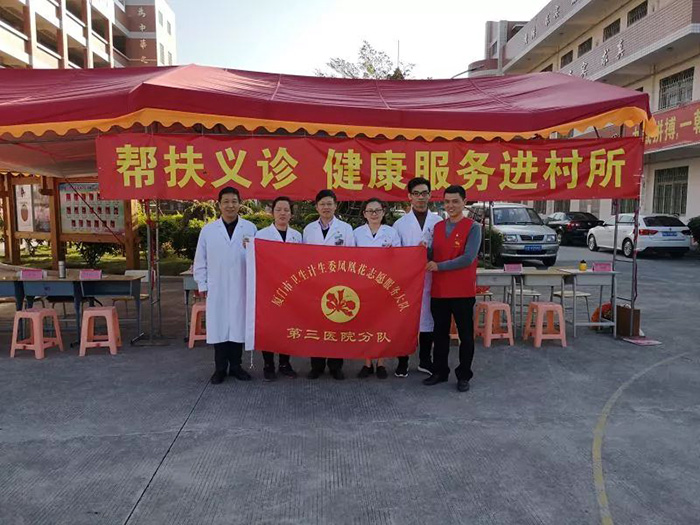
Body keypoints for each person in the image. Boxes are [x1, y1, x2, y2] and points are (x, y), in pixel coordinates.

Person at [193, 187, 258, 385]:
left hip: (241, 286)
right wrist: (203, 285)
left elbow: (258, 258)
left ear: (240, 204)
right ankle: (220, 368)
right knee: (219, 327)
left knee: (237, 328)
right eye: (226, 202)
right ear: (219, 205)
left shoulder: (250, 228)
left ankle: (236, 367)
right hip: (217, 287)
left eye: (234, 201)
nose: (230, 205)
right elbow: (200, 260)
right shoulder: (208, 230)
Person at [424, 185, 481, 393]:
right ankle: (440, 371)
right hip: (439, 290)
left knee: (465, 336)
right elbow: (433, 253)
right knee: (439, 334)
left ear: (464, 202)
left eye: (455, 201)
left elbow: (468, 258)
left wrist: (439, 266)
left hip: (462, 291)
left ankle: (464, 375)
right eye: (447, 201)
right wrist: (418, 251)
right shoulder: (438, 227)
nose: (450, 205)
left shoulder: (473, 227)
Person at [302, 189, 355, 380]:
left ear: (335, 206)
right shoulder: (309, 229)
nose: (326, 207)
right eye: (322, 204)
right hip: (315, 283)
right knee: (316, 324)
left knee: (336, 324)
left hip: (338, 284)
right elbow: (301, 258)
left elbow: (352, 256)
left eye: (329, 204)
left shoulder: (346, 229)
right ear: (317, 207)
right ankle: (316, 365)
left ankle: (335, 366)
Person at [392, 177, 442, 377]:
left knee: (428, 319)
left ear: (430, 195)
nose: (421, 197)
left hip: (430, 278)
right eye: (416, 194)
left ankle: (424, 360)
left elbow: (443, 250)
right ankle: (402, 361)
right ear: (409, 197)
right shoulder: (400, 224)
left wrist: (428, 252)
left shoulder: (438, 222)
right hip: (407, 280)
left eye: (424, 193)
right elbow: (395, 254)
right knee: (404, 320)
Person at [353, 198, 401, 380]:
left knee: (382, 323)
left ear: (383, 212)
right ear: (364, 214)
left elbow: (401, 258)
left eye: (377, 210)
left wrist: (392, 253)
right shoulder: (357, 233)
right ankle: (367, 363)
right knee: (364, 323)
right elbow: (349, 258)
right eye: (370, 211)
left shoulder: (392, 232)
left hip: (384, 284)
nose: (374, 214)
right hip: (362, 285)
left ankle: (381, 362)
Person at [255, 196, 302, 381]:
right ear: (272, 212)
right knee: (269, 327)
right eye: (279, 210)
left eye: (286, 210)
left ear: (291, 213)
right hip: (268, 289)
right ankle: (268, 364)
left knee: (287, 326)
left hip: (291, 289)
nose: (282, 213)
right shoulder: (261, 235)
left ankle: (285, 363)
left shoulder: (297, 236)